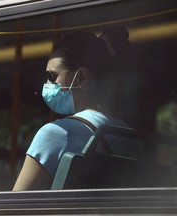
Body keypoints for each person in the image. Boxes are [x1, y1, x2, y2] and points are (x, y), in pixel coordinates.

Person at [13, 27, 143, 191]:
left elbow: (16, 208)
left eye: (52, 77)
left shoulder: (57, 133)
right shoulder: (132, 139)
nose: (46, 85)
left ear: (82, 77)